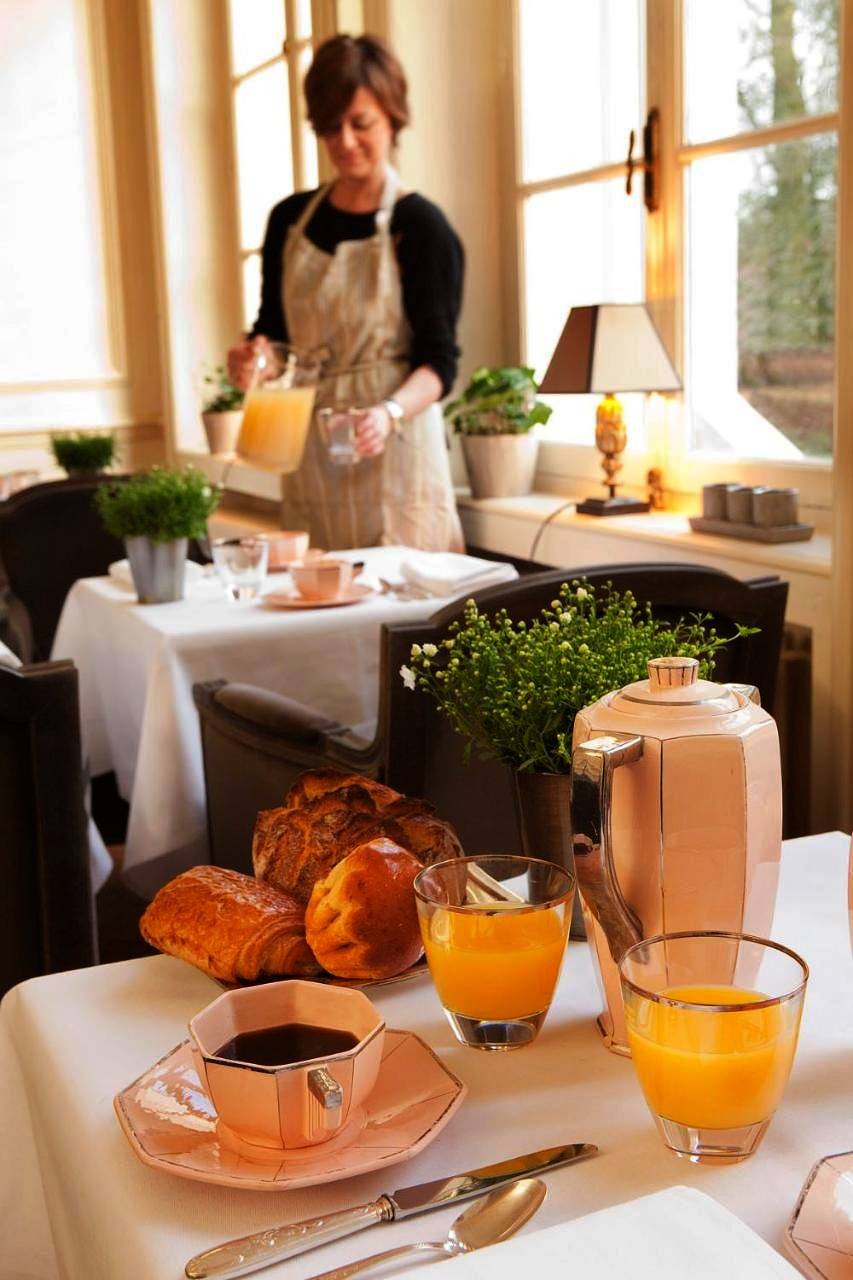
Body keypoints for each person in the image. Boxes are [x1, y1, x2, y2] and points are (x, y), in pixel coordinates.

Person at [228, 34, 464, 552]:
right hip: (313, 457)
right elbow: (275, 334)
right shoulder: (289, 221)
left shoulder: (421, 226)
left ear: (393, 118)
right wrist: (255, 360)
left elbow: (439, 364)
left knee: (407, 623)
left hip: (398, 454)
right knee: (318, 610)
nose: (345, 141)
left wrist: (389, 413)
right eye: (331, 127)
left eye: (361, 124)